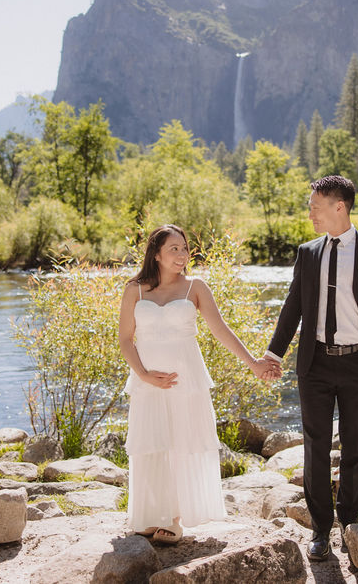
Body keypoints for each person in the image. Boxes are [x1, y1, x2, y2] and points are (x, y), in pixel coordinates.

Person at [260, 175, 358, 560]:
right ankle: (320, 530)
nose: (310, 213)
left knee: (354, 447)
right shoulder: (308, 252)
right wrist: (275, 353)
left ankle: (349, 523)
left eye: (315, 207)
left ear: (340, 207)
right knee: (316, 447)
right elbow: (293, 307)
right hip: (315, 362)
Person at [118, 224, 279, 544]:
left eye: (184, 248)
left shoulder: (196, 287)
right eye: (174, 249)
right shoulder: (134, 289)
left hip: (186, 381)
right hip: (147, 383)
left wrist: (254, 365)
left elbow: (221, 331)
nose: (182, 255)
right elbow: (125, 339)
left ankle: (175, 518)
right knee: (150, 444)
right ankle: (150, 516)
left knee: (182, 444)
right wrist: (144, 374)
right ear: (157, 253)